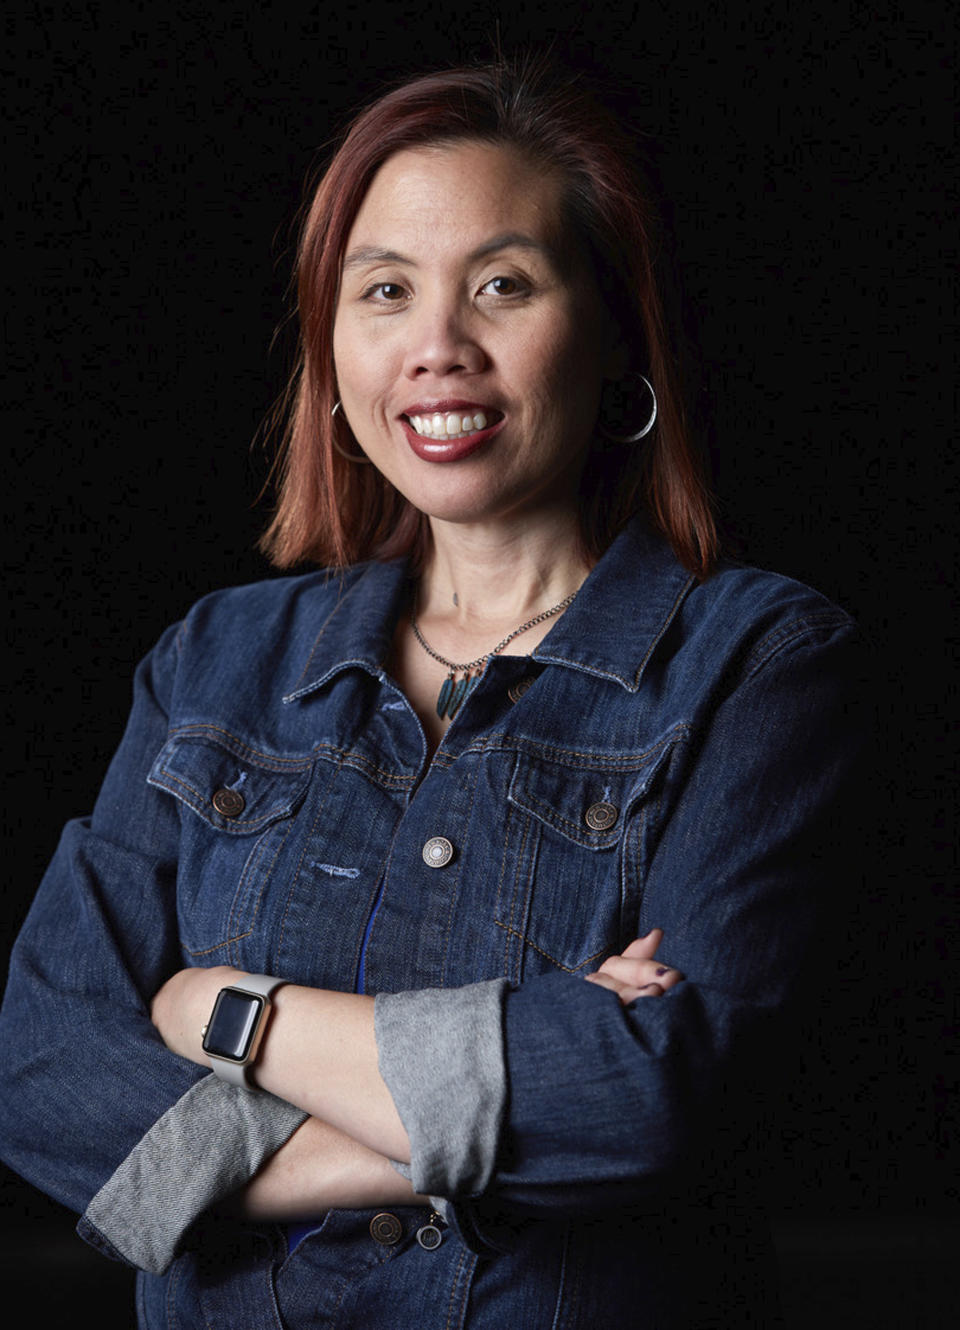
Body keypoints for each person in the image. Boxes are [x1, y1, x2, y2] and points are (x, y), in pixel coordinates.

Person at [0, 58, 863, 1328]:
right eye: (386, 291)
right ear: (332, 345)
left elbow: (652, 1098)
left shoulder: (759, 658)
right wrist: (464, 1132)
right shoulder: (215, 659)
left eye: (503, 285)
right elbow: (40, 1069)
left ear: (615, 330)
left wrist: (227, 1015)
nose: (437, 348)